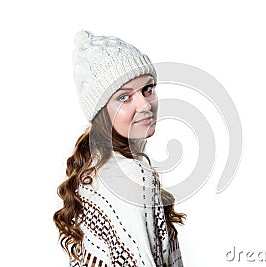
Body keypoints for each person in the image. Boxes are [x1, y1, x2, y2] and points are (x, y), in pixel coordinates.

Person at [53, 30, 187, 267]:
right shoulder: (129, 176)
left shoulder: (94, 170)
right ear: (101, 111)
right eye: (124, 97)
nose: (145, 104)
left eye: (148, 89)